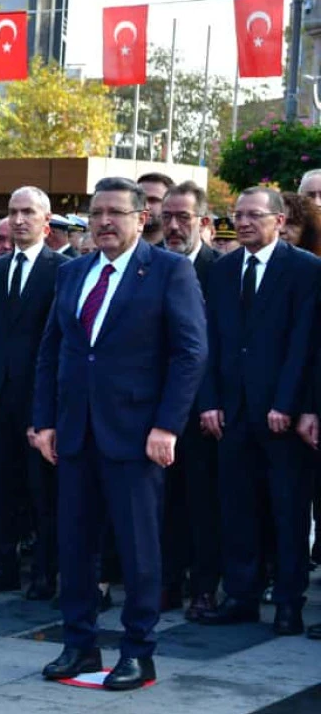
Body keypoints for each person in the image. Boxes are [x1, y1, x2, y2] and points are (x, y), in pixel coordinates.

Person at [33, 176, 207, 690]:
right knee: (75, 546)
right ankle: (79, 645)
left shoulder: (168, 271)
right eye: (96, 212)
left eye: (115, 212)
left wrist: (167, 426)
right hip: (75, 434)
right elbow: (52, 351)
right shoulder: (73, 273)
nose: (104, 221)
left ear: (140, 219)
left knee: (138, 549)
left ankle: (138, 651)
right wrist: (43, 420)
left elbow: (190, 353)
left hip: (136, 434)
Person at [196, 187, 320, 636]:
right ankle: (242, 596)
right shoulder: (222, 269)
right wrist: (208, 401)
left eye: (253, 215)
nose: (243, 222)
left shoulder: (306, 270)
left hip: (281, 413)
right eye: (237, 215)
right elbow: (207, 341)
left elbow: (307, 344)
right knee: (237, 508)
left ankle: (289, 603)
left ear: (279, 220)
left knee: (288, 512)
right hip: (231, 413)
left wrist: (289, 404)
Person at [0, 186, 67, 599]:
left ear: (46, 222)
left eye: (28, 212)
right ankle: (2, 566)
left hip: (38, 399)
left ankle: (44, 573)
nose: (19, 219)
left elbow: (61, 341)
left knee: (42, 492)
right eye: (13, 212)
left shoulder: (63, 270)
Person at [158, 181, 222, 620]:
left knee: (203, 504)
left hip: (204, 410)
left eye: (183, 218)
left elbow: (219, 345)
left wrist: (209, 403)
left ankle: (204, 586)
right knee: (162, 503)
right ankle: (166, 583)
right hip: (157, 408)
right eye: (168, 218)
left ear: (204, 222)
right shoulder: (153, 266)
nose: (175, 226)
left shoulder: (221, 270)